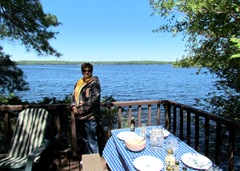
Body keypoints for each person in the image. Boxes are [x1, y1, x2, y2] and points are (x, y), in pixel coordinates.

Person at [70, 63, 101, 156]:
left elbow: (95, 99)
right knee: (84, 140)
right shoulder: (79, 82)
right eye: (84, 70)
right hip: (79, 117)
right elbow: (73, 96)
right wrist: (73, 106)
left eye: (89, 70)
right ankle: (87, 160)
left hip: (90, 117)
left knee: (92, 141)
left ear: (92, 71)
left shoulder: (94, 82)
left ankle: (95, 161)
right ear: (82, 71)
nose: (86, 72)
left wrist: (81, 110)